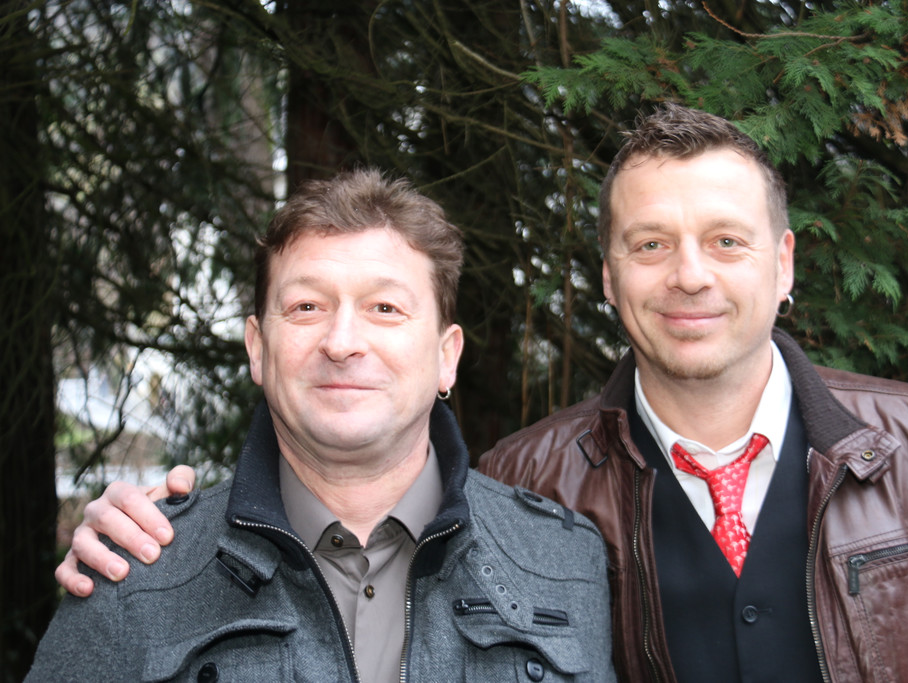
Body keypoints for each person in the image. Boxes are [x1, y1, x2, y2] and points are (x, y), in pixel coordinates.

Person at [57, 106, 908, 682]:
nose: (689, 274)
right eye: (650, 243)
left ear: (784, 263)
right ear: (608, 275)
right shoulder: (535, 485)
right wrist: (142, 532)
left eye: (726, 241)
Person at [32, 168, 615, 682]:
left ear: (447, 356)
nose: (341, 342)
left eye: (385, 308)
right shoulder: (136, 575)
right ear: (258, 349)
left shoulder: (564, 563)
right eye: (307, 307)